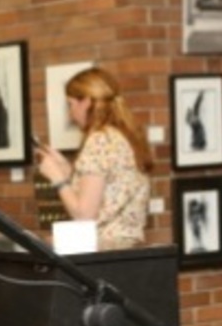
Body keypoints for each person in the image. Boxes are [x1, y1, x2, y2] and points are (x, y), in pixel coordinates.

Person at [35, 67, 153, 251]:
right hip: (128, 251)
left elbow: (84, 216)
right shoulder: (123, 136)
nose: (70, 114)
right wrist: (68, 172)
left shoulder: (98, 140)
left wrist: (57, 178)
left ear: (87, 102)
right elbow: (110, 194)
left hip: (102, 254)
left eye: (71, 104)